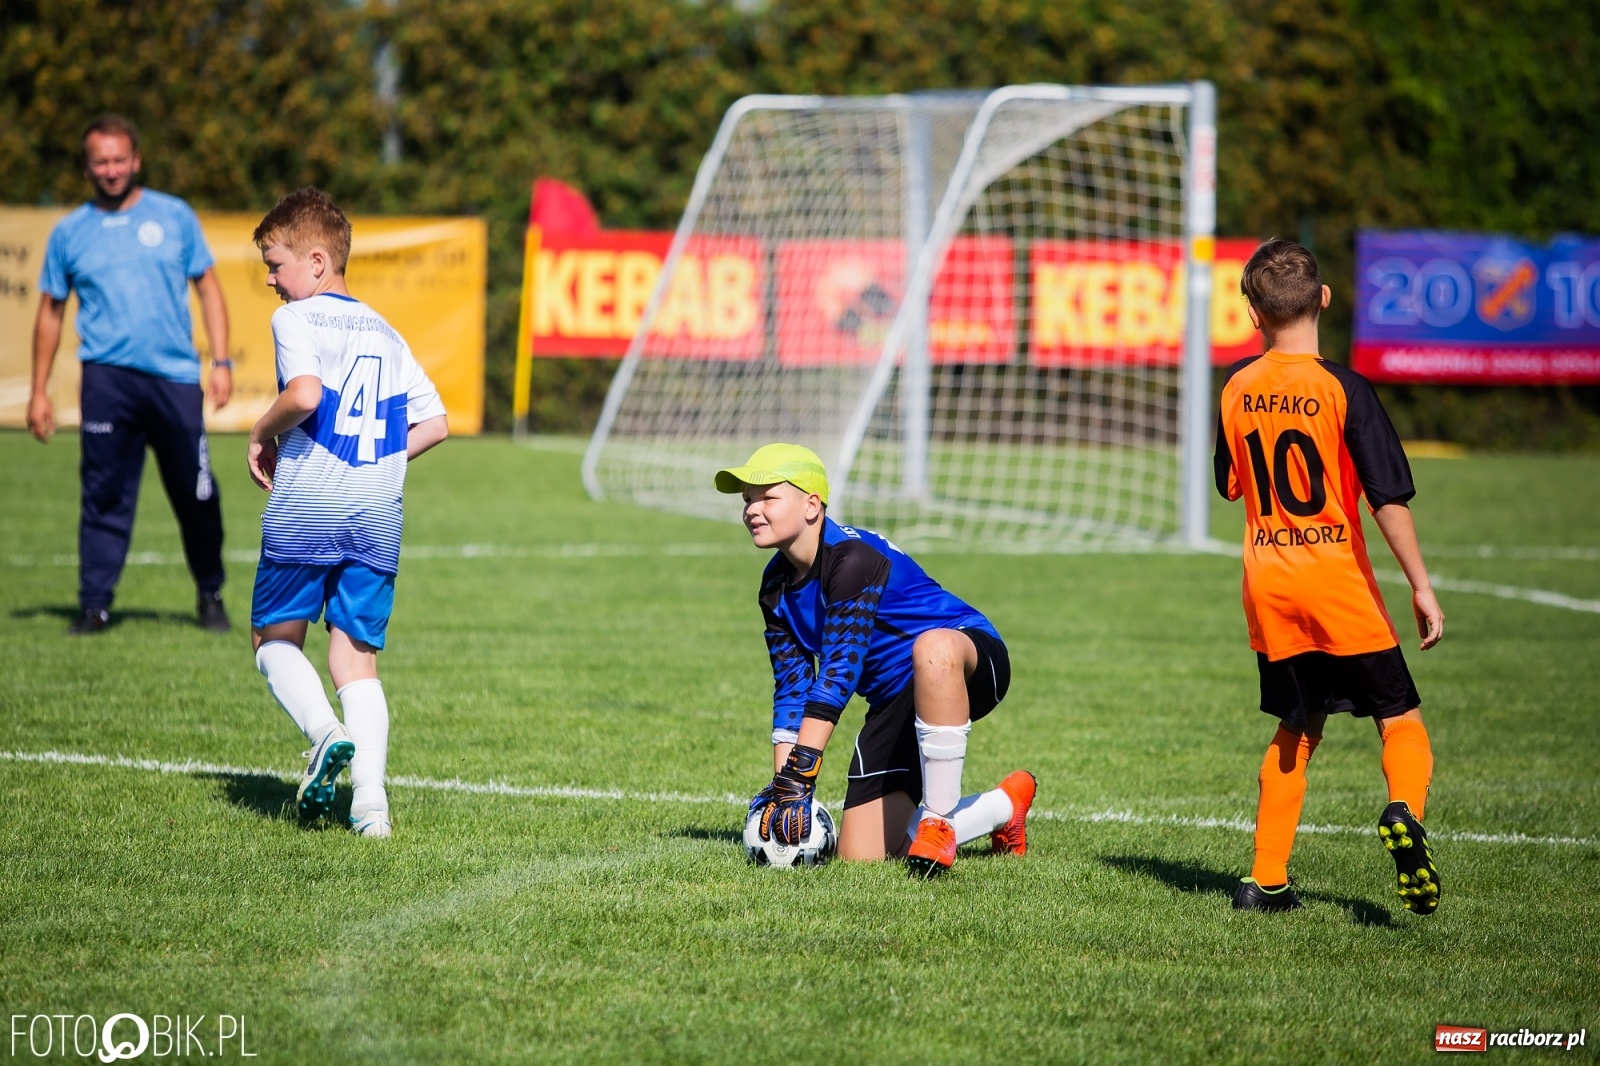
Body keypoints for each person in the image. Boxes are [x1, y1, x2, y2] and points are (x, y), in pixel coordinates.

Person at [1214, 239, 1444, 915]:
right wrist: (1421, 586)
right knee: (1399, 716)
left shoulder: (1234, 386)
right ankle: (1402, 810)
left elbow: (1231, 484)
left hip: (1270, 586)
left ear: (1253, 316)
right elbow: (1387, 499)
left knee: (1299, 724)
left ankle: (1266, 881)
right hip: (1337, 580)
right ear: (1324, 299)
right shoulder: (1344, 389)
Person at [715, 444, 1036, 877]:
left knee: (932, 648)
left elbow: (837, 674)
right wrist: (785, 790)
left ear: (812, 505)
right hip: (894, 700)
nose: (753, 509)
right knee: (862, 856)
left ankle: (939, 822)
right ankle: (1005, 804)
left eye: (767, 496)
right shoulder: (774, 584)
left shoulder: (853, 560)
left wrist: (801, 774)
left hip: (968, 660)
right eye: (747, 500)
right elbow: (792, 690)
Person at [245, 187, 448, 838]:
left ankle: (323, 731)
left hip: (310, 501)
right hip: (377, 512)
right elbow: (436, 423)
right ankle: (371, 810)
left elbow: (304, 394)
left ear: (315, 260)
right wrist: (383, 461)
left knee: (274, 640)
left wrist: (260, 431)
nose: (272, 281)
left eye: (275, 266)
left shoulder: (296, 321)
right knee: (356, 661)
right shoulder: (385, 330)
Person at [29, 115, 235, 636]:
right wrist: (37, 391)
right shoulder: (70, 232)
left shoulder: (175, 216)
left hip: (173, 380)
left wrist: (222, 361)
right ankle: (95, 605)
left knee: (197, 494)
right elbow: (50, 312)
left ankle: (210, 592)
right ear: (86, 167)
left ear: (137, 160)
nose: (112, 169)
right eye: (100, 160)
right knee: (103, 496)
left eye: (120, 159)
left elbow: (209, 289)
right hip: (107, 382)